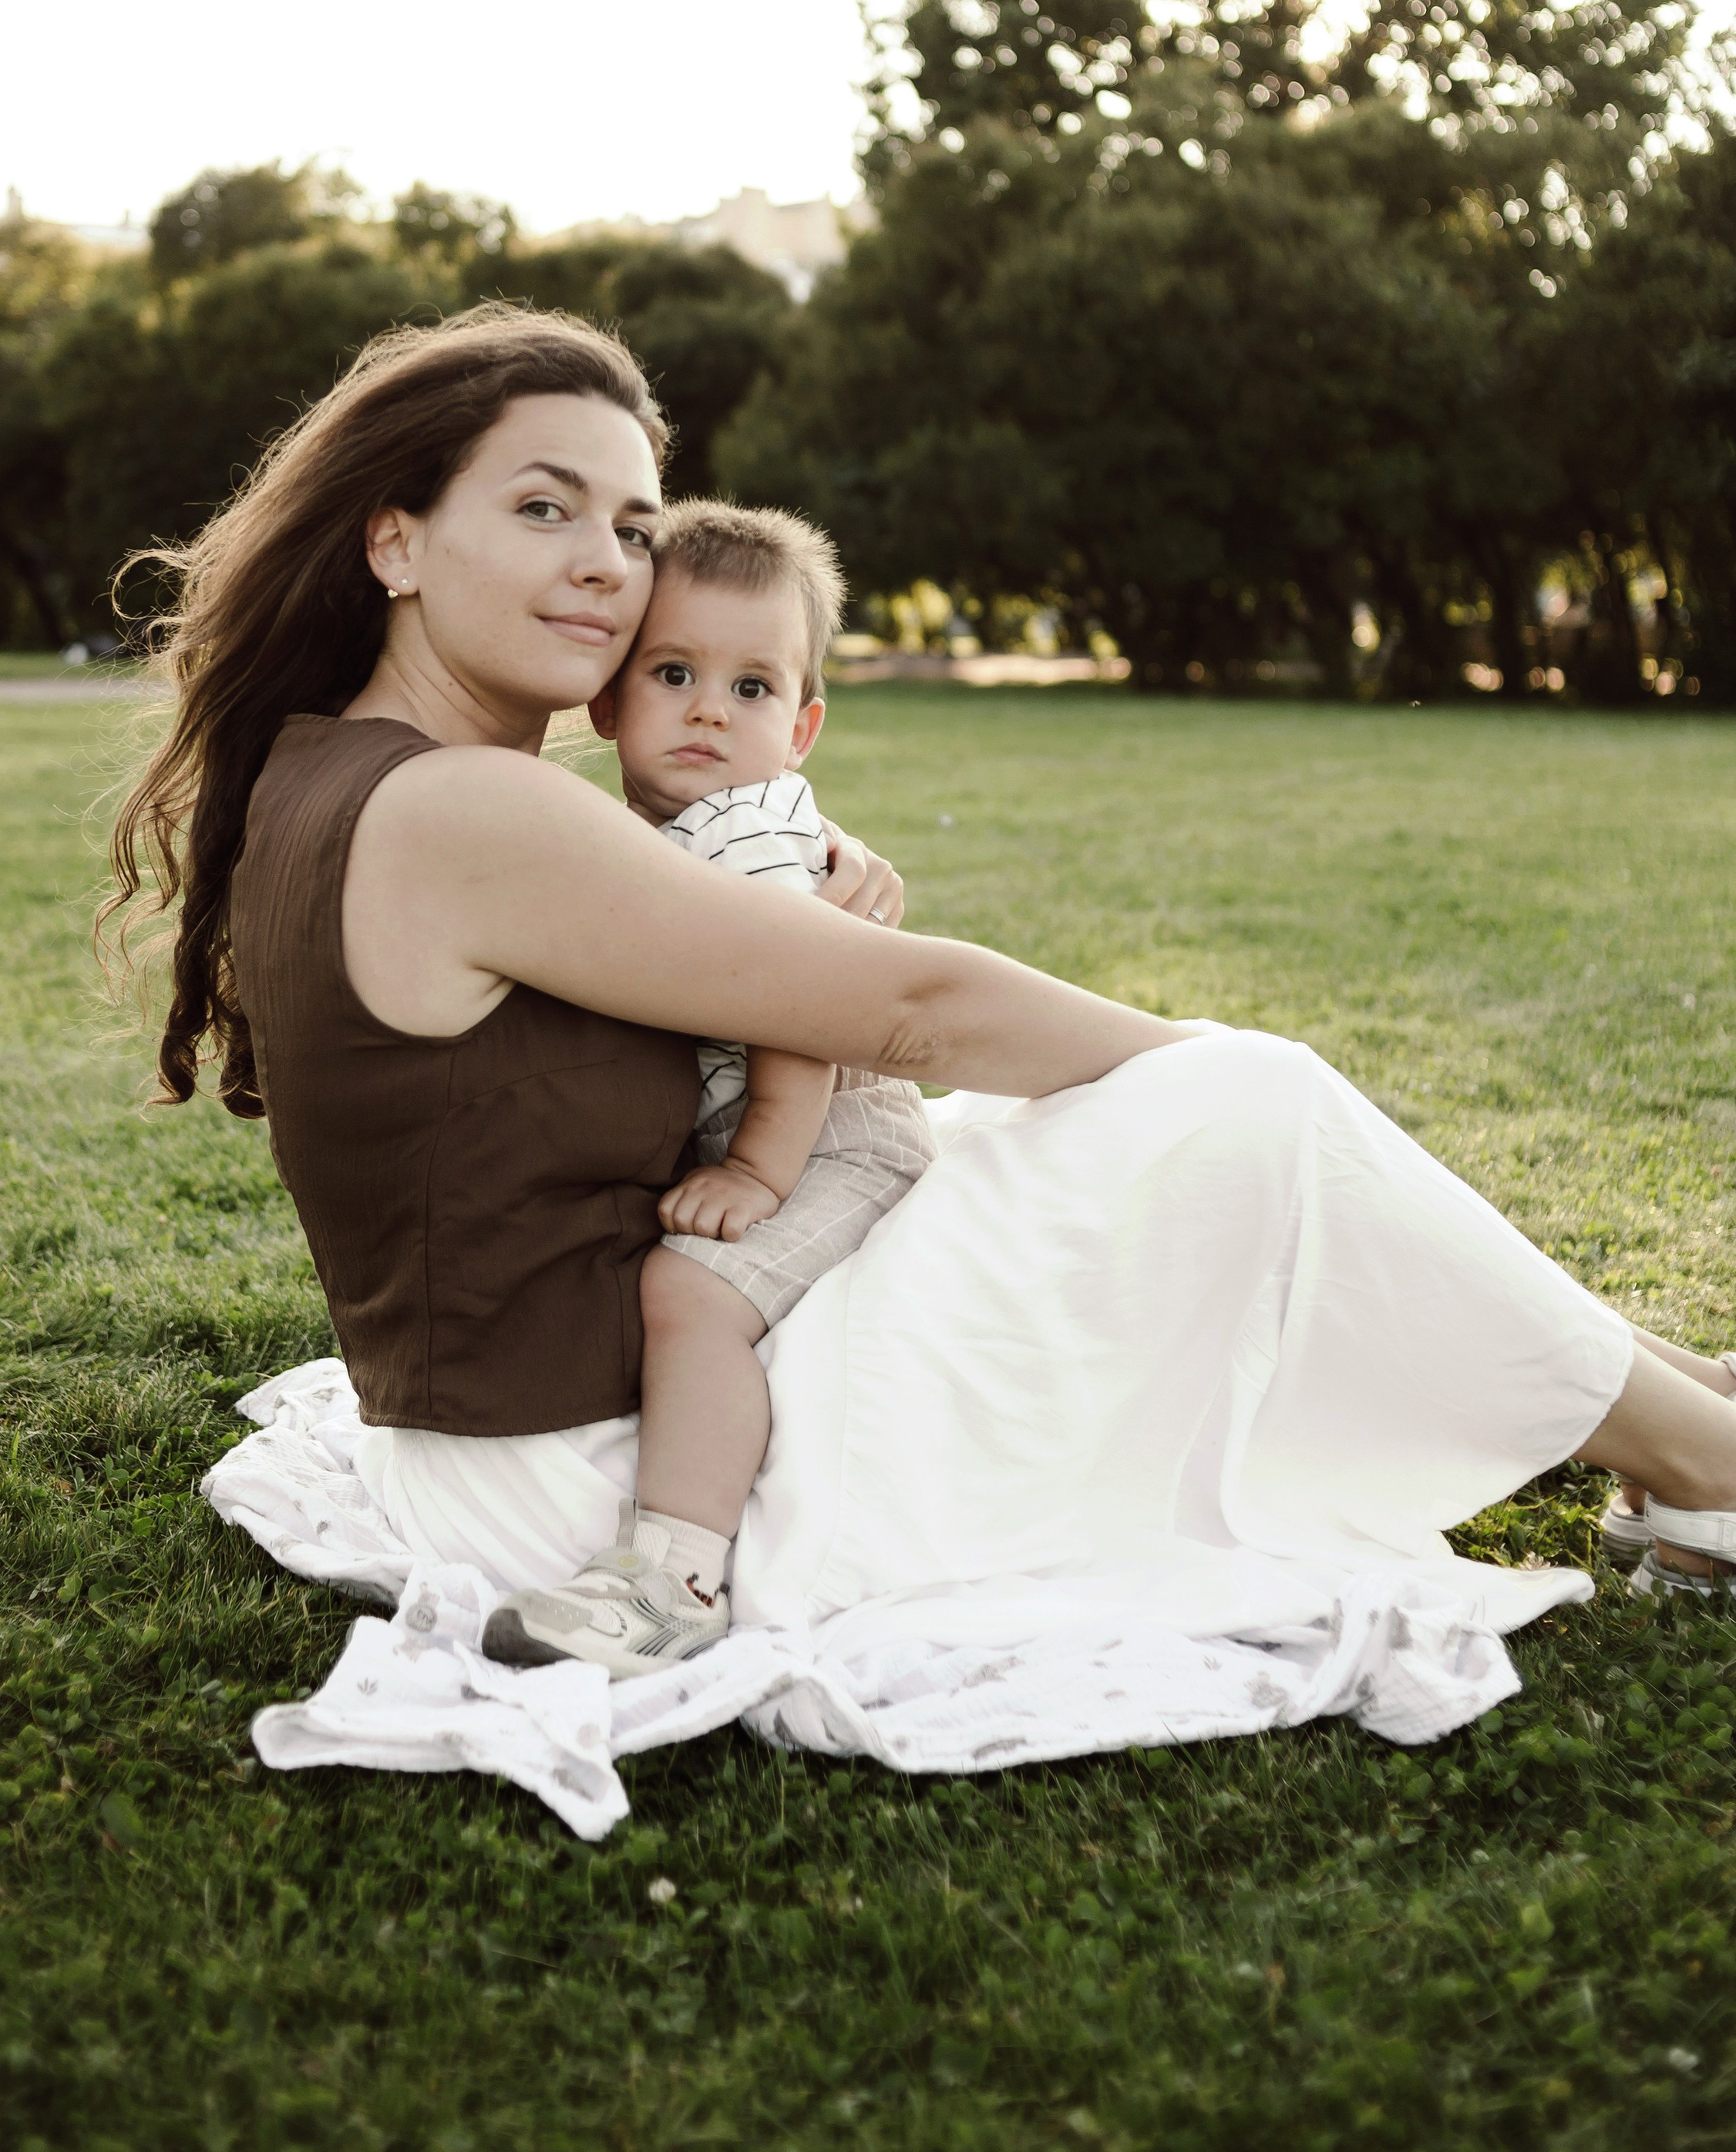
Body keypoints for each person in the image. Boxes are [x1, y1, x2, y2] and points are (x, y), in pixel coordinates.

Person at [106, 304, 1736, 1764]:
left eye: (628, 520)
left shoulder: (349, 772)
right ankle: (1704, 1475)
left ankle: (1661, 1391)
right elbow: (910, 1006)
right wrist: (1196, 1083)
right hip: (613, 1489)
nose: (605, 560)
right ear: (393, 543)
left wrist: (776, 886)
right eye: (542, 509)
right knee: (1245, 1099)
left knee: (1066, 1144)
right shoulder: (468, 808)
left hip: (535, 1428)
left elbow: (728, 985)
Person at [479, 499, 936, 1676]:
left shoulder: (740, 829)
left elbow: (805, 1011)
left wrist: (756, 1169)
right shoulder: (661, 830)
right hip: (772, 1113)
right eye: (673, 672)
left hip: (834, 1127)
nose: (706, 710)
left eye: (751, 689)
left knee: (688, 1296)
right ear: (608, 700)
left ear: (802, 726)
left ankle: (673, 1579)